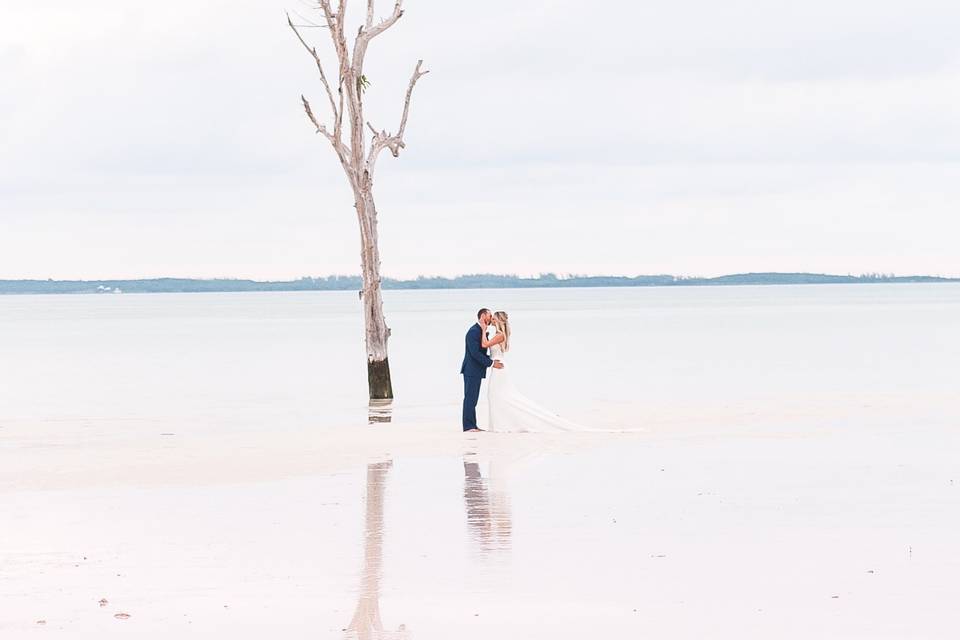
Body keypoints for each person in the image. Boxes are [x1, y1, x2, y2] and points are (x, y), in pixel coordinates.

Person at [481, 311, 583, 432]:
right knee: (496, 396)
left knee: (498, 395)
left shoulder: (500, 335)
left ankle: (503, 424)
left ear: (498, 321)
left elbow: (485, 344)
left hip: (499, 367)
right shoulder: (498, 334)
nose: (491, 320)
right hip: (497, 366)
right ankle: (499, 423)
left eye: (493, 319)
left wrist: (483, 329)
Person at [459, 308, 503, 432]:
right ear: (483, 316)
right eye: (489, 316)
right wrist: (491, 363)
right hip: (471, 370)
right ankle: (468, 427)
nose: (490, 319)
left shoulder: (480, 331)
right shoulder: (473, 332)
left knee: (473, 399)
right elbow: (475, 354)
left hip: (476, 370)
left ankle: (473, 425)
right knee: (470, 398)